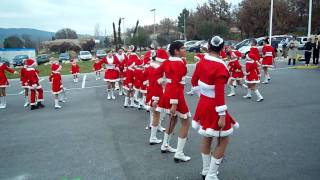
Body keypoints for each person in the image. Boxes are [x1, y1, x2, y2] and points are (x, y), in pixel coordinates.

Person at [191, 36, 239, 180]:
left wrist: (202, 96)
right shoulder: (220, 67)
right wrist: (222, 115)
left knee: (207, 136)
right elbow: (219, 94)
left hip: (203, 103)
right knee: (224, 140)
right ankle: (211, 174)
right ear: (222, 48)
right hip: (215, 106)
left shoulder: (202, 62)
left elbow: (194, 82)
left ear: (209, 46)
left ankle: (206, 170)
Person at [156, 41, 191, 162]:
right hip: (176, 94)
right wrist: (174, 103)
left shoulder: (167, 61)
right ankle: (179, 153)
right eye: (182, 48)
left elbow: (157, 73)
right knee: (186, 123)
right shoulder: (178, 63)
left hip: (169, 92)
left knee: (173, 119)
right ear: (176, 51)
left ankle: (165, 145)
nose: (185, 50)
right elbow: (176, 82)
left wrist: (163, 81)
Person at [145, 48, 169, 144]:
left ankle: (156, 128)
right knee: (156, 114)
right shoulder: (157, 69)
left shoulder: (151, 67)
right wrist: (155, 98)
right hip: (156, 93)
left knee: (155, 113)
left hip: (152, 92)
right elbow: (157, 83)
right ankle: (153, 137)